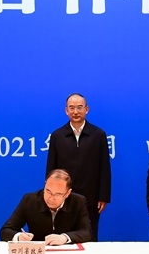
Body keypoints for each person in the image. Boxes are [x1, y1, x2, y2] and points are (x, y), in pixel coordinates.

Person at [46, 93, 111, 241]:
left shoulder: (98, 135)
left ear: (86, 109)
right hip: (63, 195)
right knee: (62, 236)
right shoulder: (57, 135)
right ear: (66, 111)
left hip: (91, 196)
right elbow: (51, 168)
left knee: (90, 234)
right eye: (72, 108)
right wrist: (51, 194)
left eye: (79, 107)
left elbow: (104, 168)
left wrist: (103, 196)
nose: (75, 112)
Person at [0, 169, 92, 245]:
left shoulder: (78, 201)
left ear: (67, 193)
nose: (51, 198)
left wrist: (65, 237)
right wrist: (19, 237)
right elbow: (5, 230)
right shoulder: (29, 200)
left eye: (58, 194)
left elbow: (87, 232)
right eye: (48, 191)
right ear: (45, 184)